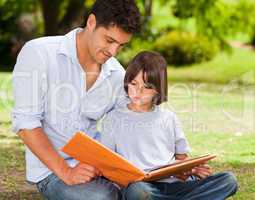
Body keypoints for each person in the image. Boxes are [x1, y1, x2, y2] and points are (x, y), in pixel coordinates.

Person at [11, 0, 141, 199]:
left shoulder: (116, 74)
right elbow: (26, 124)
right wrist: (67, 172)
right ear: (91, 22)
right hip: (53, 172)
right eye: (109, 40)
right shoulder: (39, 53)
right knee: (102, 197)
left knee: (146, 189)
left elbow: (128, 127)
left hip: (99, 168)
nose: (113, 52)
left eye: (121, 46)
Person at [100, 51, 238, 200]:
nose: (137, 91)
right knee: (138, 192)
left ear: (158, 90)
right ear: (127, 81)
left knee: (228, 180)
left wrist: (190, 170)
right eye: (133, 83)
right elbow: (108, 165)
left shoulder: (168, 118)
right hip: (143, 188)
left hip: (173, 185)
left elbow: (181, 159)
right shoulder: (113, 119)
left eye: (146, 87)